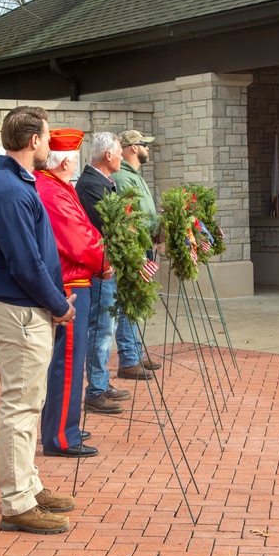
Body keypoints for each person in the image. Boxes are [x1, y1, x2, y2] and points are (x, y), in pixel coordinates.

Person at [0, 105, 78, 534]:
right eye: (47, 136)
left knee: (28, 402)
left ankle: (27, 486)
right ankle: (17, 502)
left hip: (22, 308)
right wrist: (58, 304)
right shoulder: (12, 190)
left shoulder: (12, 183)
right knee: (20, 406)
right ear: (33, 140)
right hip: (22, 310)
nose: (50, 143)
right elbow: (26, 264)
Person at [35, 128, 116, 459]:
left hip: (71, 280)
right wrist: (104, 262)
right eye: (74, 158)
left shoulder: (55, 186)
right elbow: (79, 238)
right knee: (67, 361)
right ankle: (61, 436)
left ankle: (63, 424)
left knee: (65, 361)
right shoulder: (53, 191)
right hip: (70, 285)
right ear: (66, 160)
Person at [74, 132, 134, 414]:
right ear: (108, 155)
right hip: (100, 268)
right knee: (101, 328)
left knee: (105, 328)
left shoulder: (101, 182)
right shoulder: (90, 185)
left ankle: (101, 382)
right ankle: (95, 391)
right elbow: (107, 225)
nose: (122, 155)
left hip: (107, 265)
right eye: (120, 151)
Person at [110, 129, 163, 379]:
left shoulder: (134, 175)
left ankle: (136, 353)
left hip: (144, 245)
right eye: (144, 144)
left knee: (137, 304)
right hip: (134, 248)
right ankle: (128, 360)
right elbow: (130, 216)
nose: (148, 148)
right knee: (128, 304)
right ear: (133, 148)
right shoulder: (122, 178)